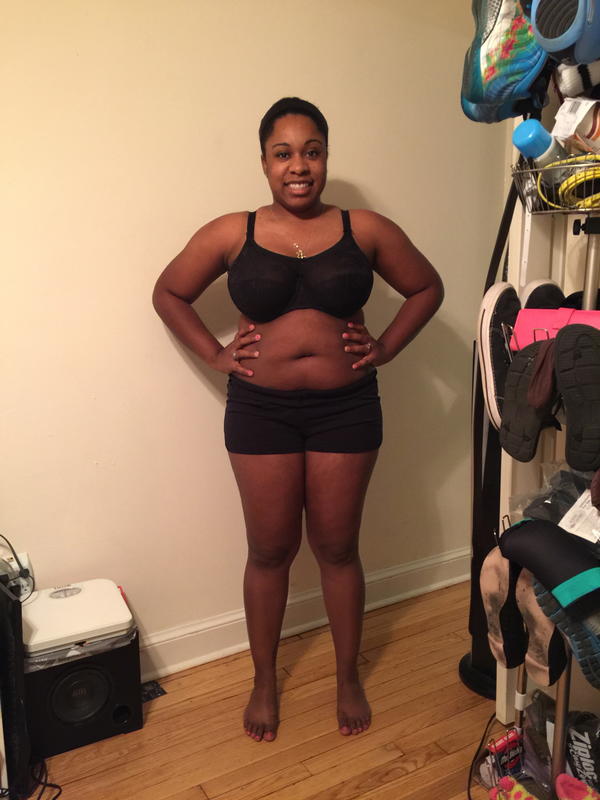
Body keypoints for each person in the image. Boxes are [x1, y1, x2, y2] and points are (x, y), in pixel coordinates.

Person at [152, 97, 444, 743]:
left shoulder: (365, 228)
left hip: (347, 408)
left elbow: (427, 287)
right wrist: (215, 354)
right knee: (269, 550)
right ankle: (264, 680)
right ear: (264, 162)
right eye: (283, 153)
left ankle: (346, 676)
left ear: (326, 157)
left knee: (338, 548)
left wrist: (386, 347)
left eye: (311, 151)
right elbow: (168, 292)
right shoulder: (233, 232)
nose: (298, 166)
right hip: (261, 411)